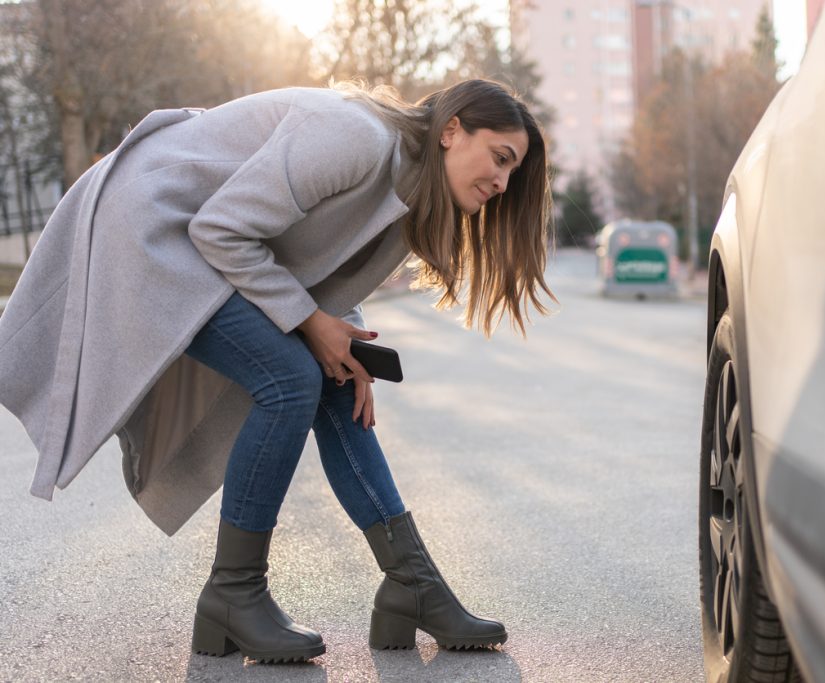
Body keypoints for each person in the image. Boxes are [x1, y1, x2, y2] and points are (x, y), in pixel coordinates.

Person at [0, 79, 553, 662]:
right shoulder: (357, 138)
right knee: (290, 380)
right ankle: (233, 595)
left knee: (334, 385)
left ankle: (413, 586)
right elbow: (219, 228)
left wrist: (344, 343)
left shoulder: (412, 191)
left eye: (512, 172)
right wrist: (312, 323)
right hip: (149, 226)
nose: (502, 181)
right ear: (451, 130)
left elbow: (321, 263)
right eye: (500, 158)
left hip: (197, 239)